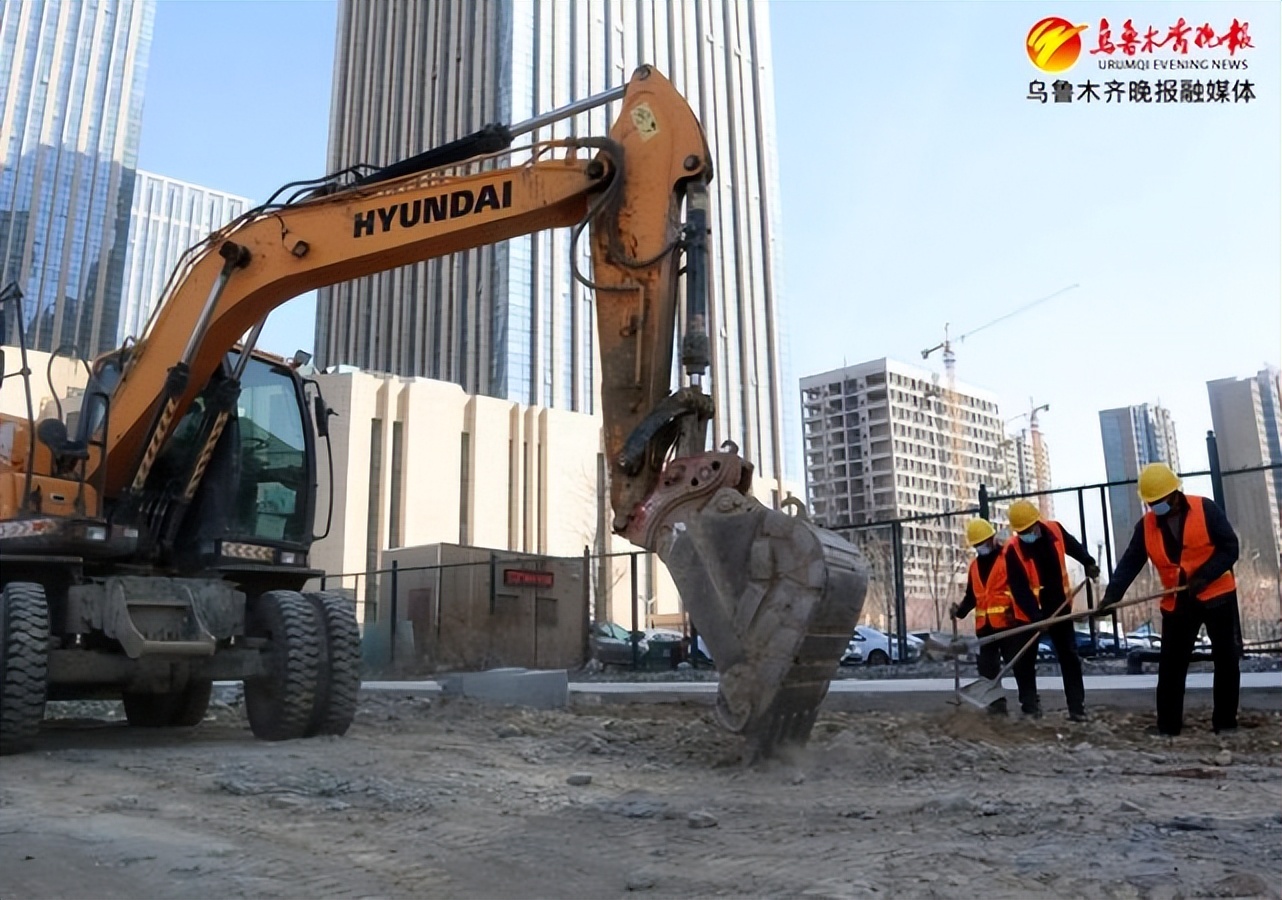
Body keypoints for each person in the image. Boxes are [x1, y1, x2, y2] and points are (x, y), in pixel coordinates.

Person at [1098, 463, 1240, 737]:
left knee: (1226, 659)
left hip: (1217, 596)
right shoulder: (1147, 526)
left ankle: (1225, 723)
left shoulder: (1205, 509)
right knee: (1172, 665)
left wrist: (1205, 575)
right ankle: (1168, 726)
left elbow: (1230, 548)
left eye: (1160, 501)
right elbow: (1130, 562)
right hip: (1178, 602)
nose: (1156, 508)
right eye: (1151, 503)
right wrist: (1111, 595)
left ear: (1175, 494)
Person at [1003, 498, 1100, 722]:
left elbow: (1073, 546)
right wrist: (1036, 617)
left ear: (1037, 522)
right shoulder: (1012, 550)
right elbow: (1019, 589)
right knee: (1025, 662)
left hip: (1059, 607)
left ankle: (1077, 708)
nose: (1026, 534)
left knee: (1069, 657)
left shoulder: (1055, 530)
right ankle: (1030, 707)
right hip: (1029, 615)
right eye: (1022, 532)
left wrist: (1088, 561)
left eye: (1028, 529)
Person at [950, 517, 1039, 717]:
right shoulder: (974, 566)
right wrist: (960, 611)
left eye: (983, 542)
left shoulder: (1007, 558)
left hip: (1009, 625)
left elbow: (1022, 591)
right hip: (986, 629)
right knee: (988, 670)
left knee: (1021, 667)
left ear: (992, 539)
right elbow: (972, 596)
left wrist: (1036, 616)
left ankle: (1031, 707)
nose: (981, 547)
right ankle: (997, 707)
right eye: (977, 545)